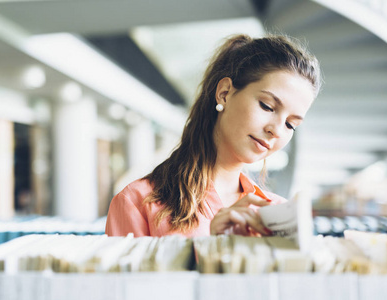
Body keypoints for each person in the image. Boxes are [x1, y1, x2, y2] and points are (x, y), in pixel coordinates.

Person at [105, 33, 321, 237]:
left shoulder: (275, 214)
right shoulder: (137, 202)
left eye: (291, 125)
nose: (276, 130)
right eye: (267, 106)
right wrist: (215, 249)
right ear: (224, 93)